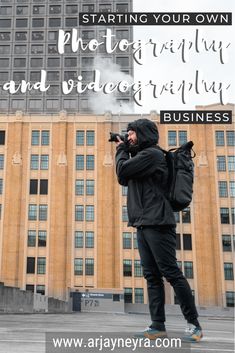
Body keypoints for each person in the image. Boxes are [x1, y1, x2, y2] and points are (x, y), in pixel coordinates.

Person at [115, 118, 203, 342]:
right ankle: (157, 326)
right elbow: (126, 178)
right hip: (144, 222)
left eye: (132, 133)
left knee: (171, 273)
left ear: (143, 134)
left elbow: (121, 172)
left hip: (158, 222)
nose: (129, 137)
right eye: (127, 134)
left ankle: (194, 324)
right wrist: (126, 149)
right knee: (151, 276)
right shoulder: (143, 157)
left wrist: (121, 149)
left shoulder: (152, 155)